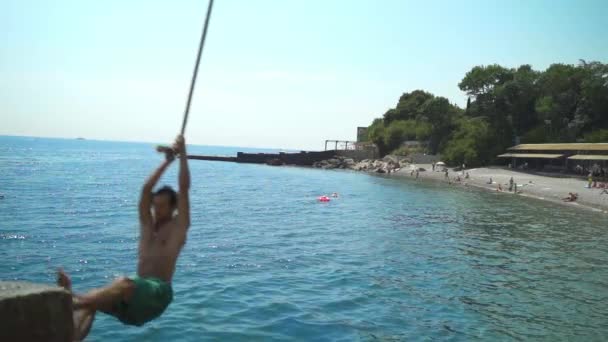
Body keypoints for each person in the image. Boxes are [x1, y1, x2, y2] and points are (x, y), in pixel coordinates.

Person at [57, 135, 192, 340]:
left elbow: (184, 189)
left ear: (174, 207)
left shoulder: (178, 227)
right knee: (93, 304)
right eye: (154, 206)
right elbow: (146, 190)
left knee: (125, 283)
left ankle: (71, 301)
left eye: (162, 206)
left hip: (157, 294)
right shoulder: (147, 226)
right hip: (134, 303)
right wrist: (166, 162)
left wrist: (182, 155)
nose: (157, 210)